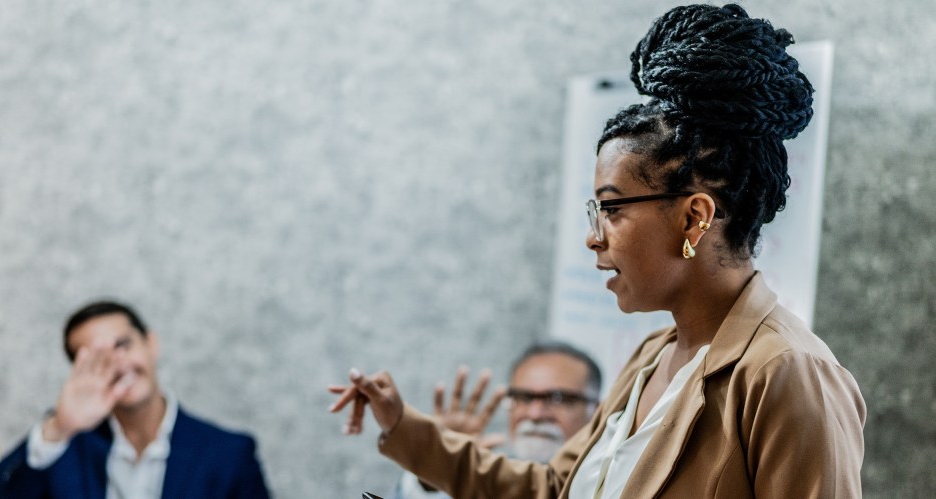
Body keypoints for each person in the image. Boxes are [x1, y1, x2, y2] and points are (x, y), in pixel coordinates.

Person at [330, 4, 867, 498]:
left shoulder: (787, 373)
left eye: (611, 209)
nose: (594, 236)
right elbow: (554, 487)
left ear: (694, 217)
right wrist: (405, 426)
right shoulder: (653, 355)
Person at [0, 300, 273, 499]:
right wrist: (58, 430)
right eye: (98, 357)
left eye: (123, 345)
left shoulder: (228, 453)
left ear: (151, 344)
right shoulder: (64, 450)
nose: (117, 363)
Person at [392, 342, 603, 499]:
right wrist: (439, 468)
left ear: (597, 410)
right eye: (524, 397)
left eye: (558, 398)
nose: (535, 414)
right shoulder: (482, 477)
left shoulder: (609, 483)